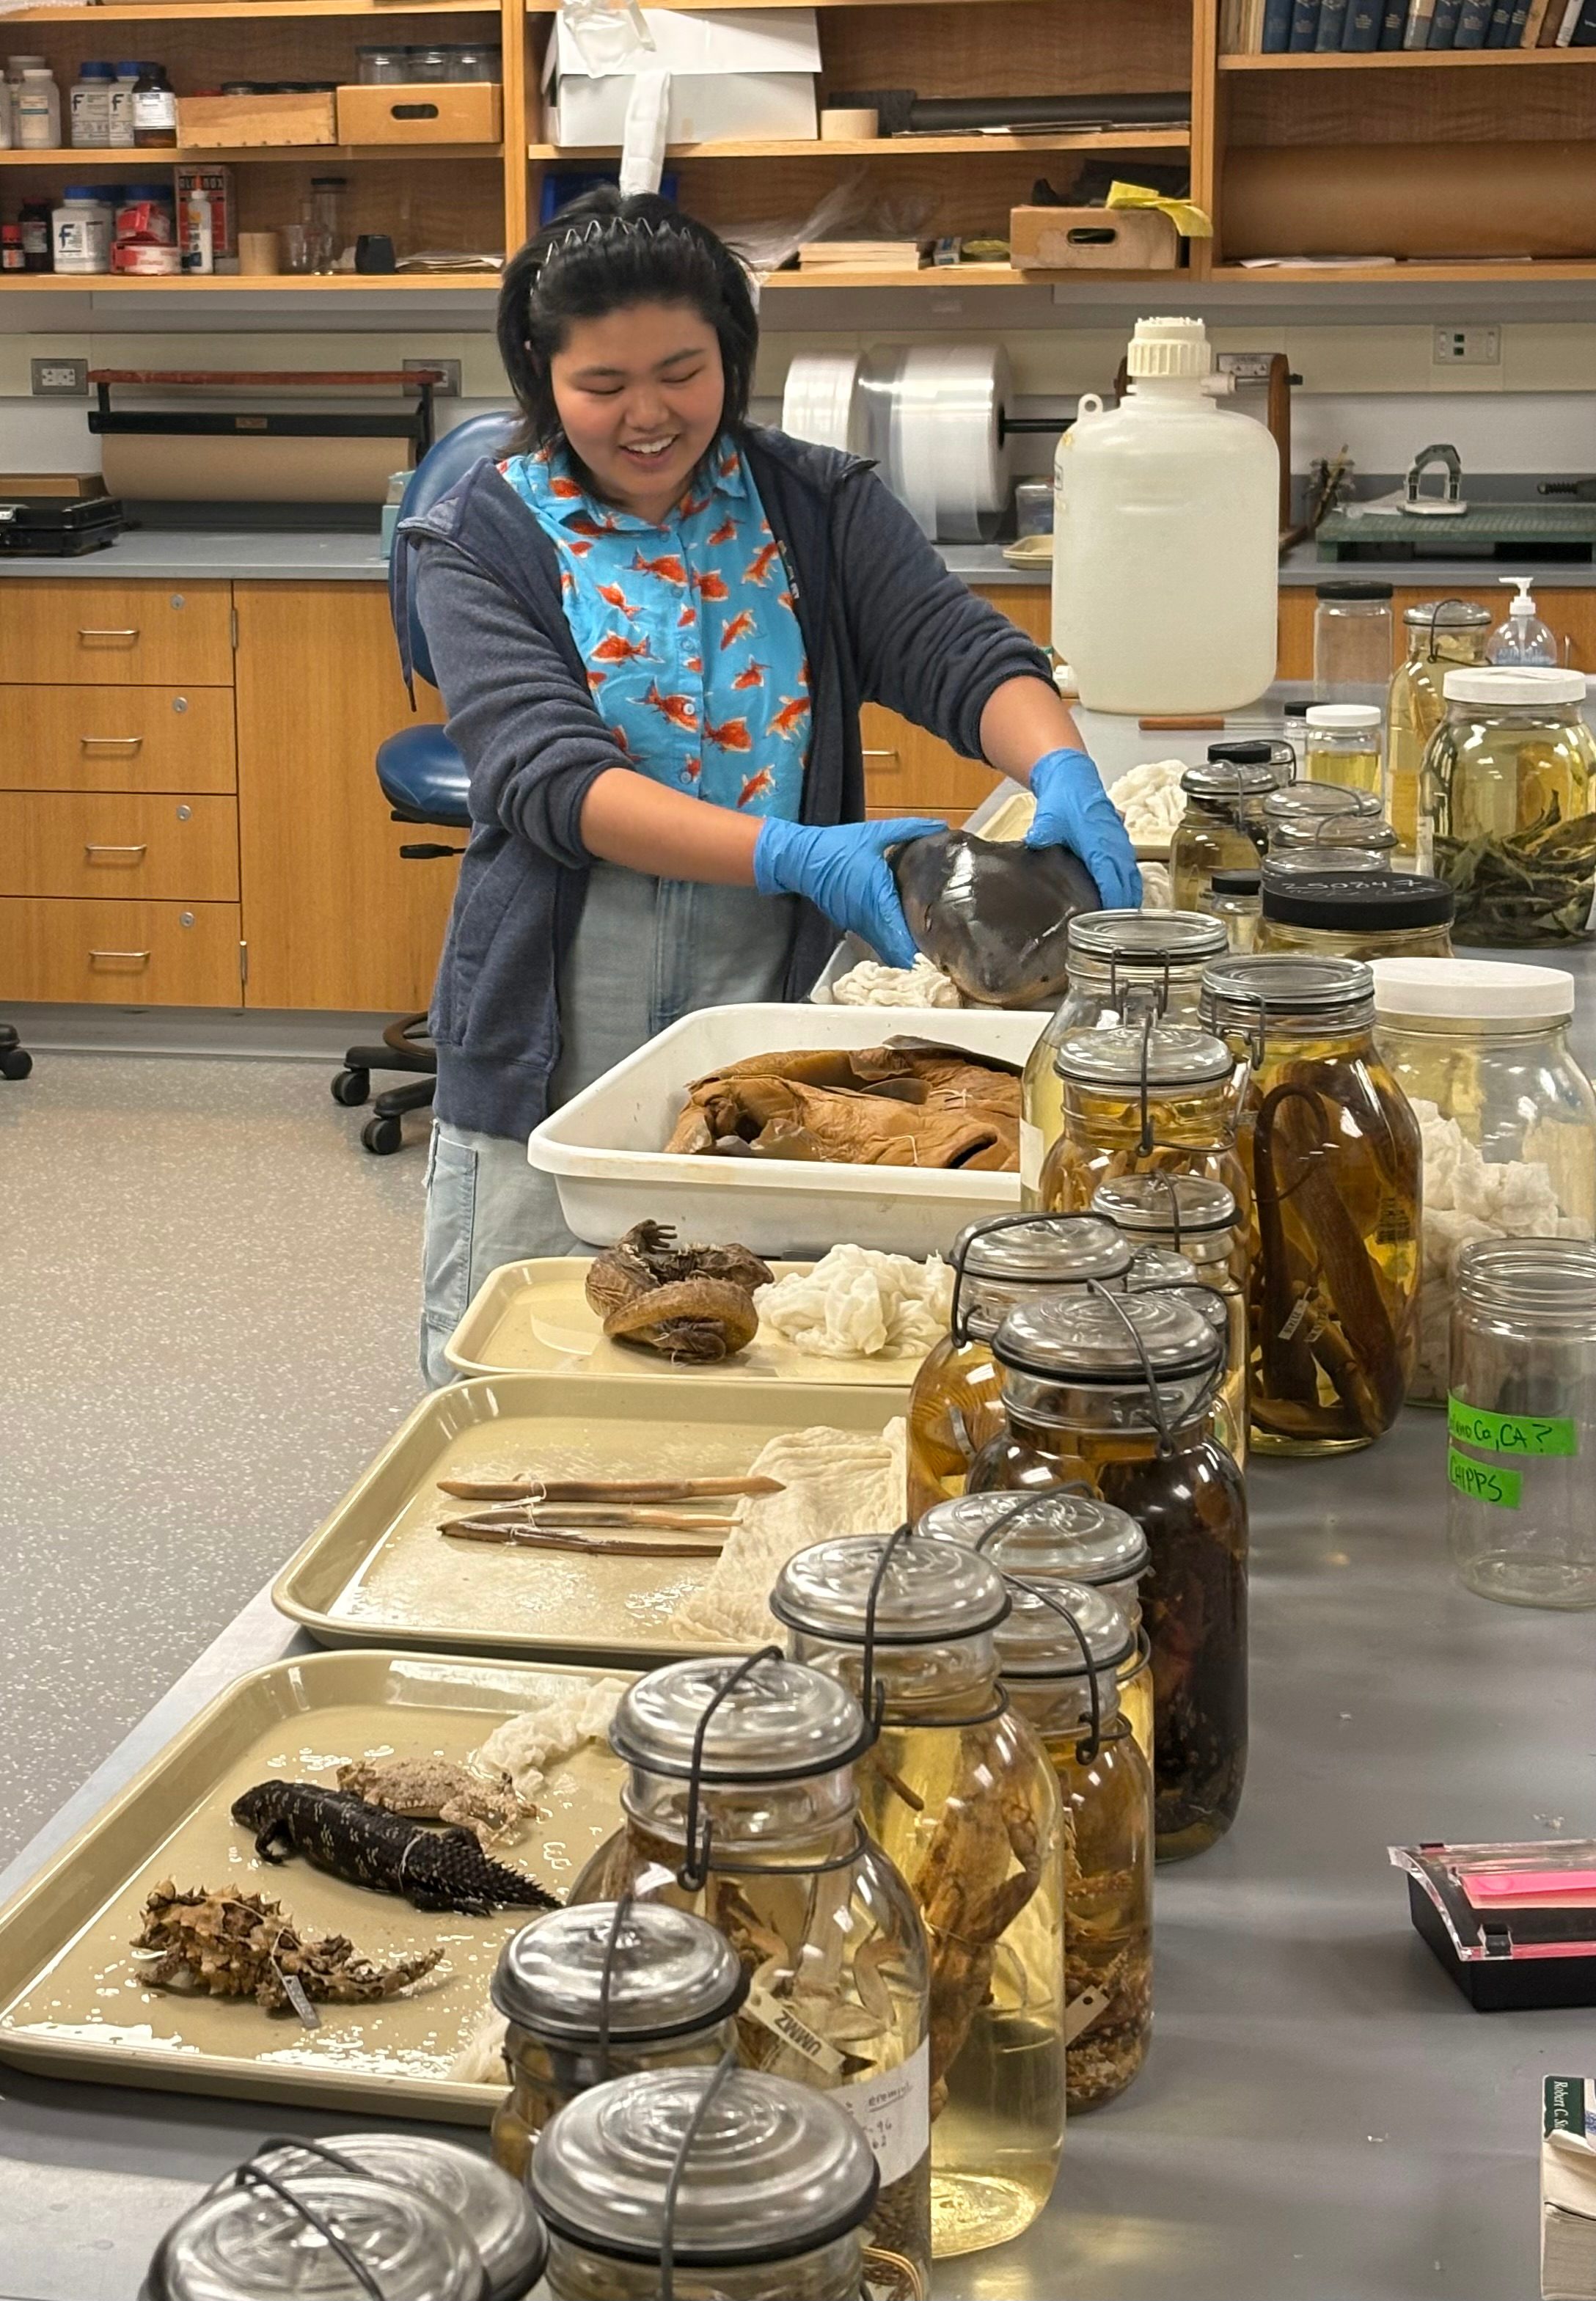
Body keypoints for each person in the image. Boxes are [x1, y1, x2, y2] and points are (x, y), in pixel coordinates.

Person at [403, 188, 1140, 1385]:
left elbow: (959, 653)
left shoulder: (814, 507)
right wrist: (797, 851)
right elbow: (550, 778)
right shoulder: (477, 539)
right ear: (543, 378)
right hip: (555, 1015)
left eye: (682, 371)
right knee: (527, 1370)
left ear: (732, 357)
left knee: (760, 1357)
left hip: (767, 998)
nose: (648, 415)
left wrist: (1061, 764)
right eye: (603, 386)